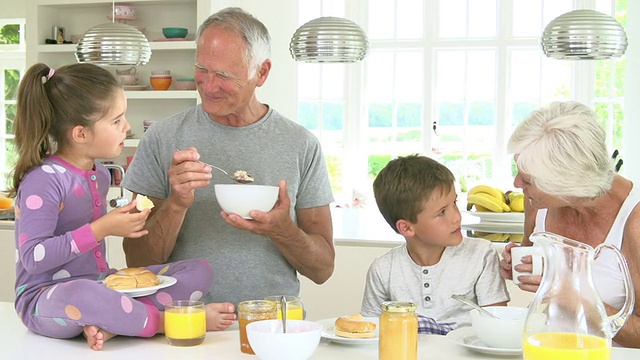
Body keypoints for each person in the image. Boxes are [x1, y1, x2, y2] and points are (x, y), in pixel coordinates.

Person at [121, 7, 335, 309]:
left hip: (272, 326)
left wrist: (281, 229)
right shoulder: (161, 139)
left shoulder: (301, 145)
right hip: (183, 322)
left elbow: (323, 269)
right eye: (202, 70)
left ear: (261, 72)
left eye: (223, 75)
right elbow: (138, 261)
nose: (208, 86)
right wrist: (176, 205)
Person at [11, 63, 232, 351]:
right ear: (81, 134)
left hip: (102, 285)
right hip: (45, 300)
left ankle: (114, 322)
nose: (126, 127)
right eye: (116, 121)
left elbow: (90, 239)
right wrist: (103, 228)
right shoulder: (42, 180)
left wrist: (128, 221)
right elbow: (33, 258)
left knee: (198, 270)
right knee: (85, 295)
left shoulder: (101, 175)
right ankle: (167, 322)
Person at [499, 101, 640, 347]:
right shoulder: (537, 203)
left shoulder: (634, 222)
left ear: (566, 183)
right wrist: (520, 266)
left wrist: (569, 295)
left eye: (528, 180)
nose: (516, 183)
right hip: (547, 348)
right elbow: (539, 273)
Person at [361, 154, 509, 330]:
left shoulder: (481, 254)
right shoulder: (383, 270)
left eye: (454, 202)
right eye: (442, 212)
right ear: (407, 228)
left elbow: (497, 326)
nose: (456, 217)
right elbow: (371, 332)